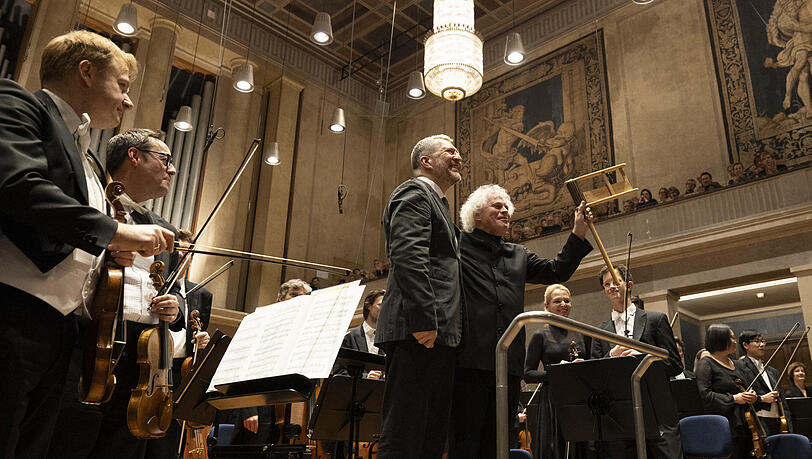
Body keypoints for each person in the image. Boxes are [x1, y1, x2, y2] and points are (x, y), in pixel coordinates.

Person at [0, 30, 178, 458]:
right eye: (122, 85)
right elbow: (19, 185)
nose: (129, 101)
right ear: (86, 72)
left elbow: (79, 233)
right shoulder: (19, 102)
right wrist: (117, 233)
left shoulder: (91, 158)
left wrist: (112, 255)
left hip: (65, 330)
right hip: (13, 311)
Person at [47, 129, 185, 459]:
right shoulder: (94, 207)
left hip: (144, 362)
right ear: (134, 156)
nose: (173, 169)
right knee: (68, 444)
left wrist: (175, 307)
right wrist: (103, 256)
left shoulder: (164, 227)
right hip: (89, 345)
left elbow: (177, 290)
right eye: (165, 160)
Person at [449, 184, 593, 459]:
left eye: (507, 207)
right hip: (469, 361)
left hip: (508, 365)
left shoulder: (519, 254)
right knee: (466, 442)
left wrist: (579, 231)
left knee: (500, 442)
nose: (505, 210)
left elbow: (556, 270)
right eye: (497, 206)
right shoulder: (458, 244)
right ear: (476, 215)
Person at [374, 134, 463, 458]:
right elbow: (409, 256)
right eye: (449, 151)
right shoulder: (415, 192)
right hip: (419, 331)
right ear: (425, 161)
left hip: (436, 336)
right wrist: (425, 319)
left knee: (429, 438)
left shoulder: (439, 203)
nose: (458, 157)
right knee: (405, 436)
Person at [590, 264, 683, 458]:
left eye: (616, 282)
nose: (612, 287)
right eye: (607, 284)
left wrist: (643, 359)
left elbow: (674, 364)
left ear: (629, 284)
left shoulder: (656, 320)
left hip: (658, 412)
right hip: (620, 415)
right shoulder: (599, 332)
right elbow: (594, 376)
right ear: (604, 291)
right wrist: (611, 357)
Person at [145, 229, 212, 459]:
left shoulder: (202, 294)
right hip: (152, 365)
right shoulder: (156, 280)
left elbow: (199, 332)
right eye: (179, 252)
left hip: (180, 374)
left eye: (188, 253)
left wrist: (203, 341)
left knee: (169, 444)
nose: (183, 257)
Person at [523, 284, 590, 459]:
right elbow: (528, 374)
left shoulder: (582, 333)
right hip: (552, 400)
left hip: (579, 398)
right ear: (546, 306)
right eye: (557, 301)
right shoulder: (540, 335)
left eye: (567, 300)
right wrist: (557, 372)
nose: (563, 304)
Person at [695, 324, 758, 458]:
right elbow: (704, 395)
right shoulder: (706, 363)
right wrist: (734, 399)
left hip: (746, 423)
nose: (735, 341)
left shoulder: (735, 363)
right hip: (725, 426)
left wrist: (751, 395)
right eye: (731, 338)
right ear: (719, 339)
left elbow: (745, 388)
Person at [735, 330, 783, 436]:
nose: (762, 345)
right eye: (757, 341)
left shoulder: (772, 371)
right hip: (758, 420)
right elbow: (745, 394)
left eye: (763, 341)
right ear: (745, 345)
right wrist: (762, 398)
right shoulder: (739, 366)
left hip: (778, 419)